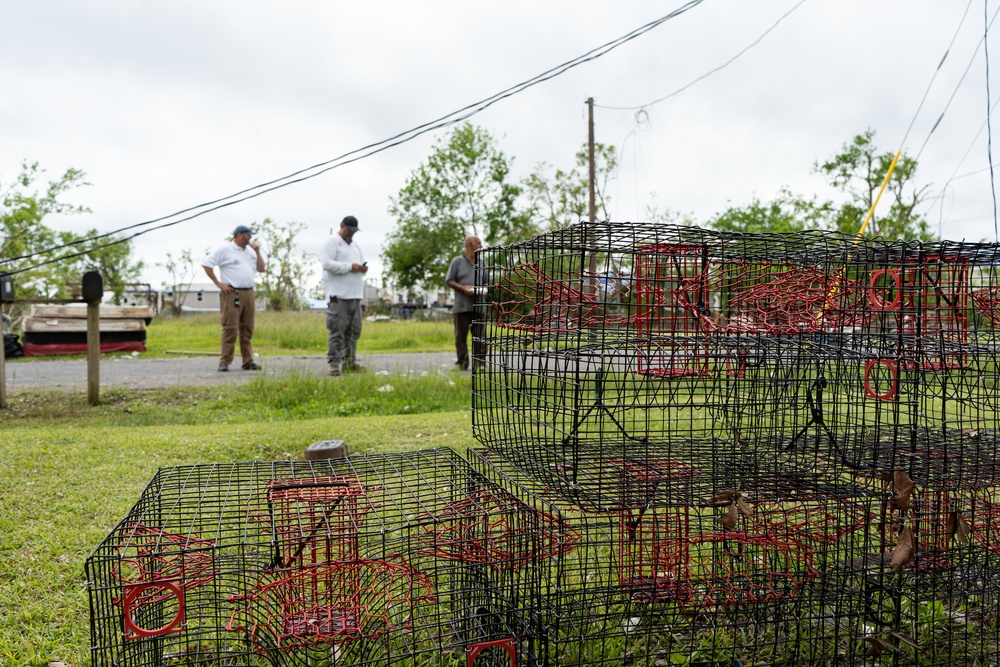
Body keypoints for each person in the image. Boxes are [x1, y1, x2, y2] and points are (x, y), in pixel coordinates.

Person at [201, 224, 266, 371]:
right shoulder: (225, 250)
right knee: (230, 328)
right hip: (232, 293)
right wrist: (218, 284)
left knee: (247, 328)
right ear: (239, 235)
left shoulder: (250, 251)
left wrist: (257, 252)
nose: (250, 237)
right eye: (248, 235)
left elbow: (262, 269)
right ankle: (224, 362)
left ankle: (248, 361)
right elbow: (207, 264)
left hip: (249, 292)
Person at [320, 215, 368, 376]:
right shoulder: (331, 242)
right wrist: (349, 267)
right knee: (337, 330)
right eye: (349, 230)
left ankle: (350, 362)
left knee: (354, 331)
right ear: (342, 226)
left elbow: (360, 262)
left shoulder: (355, 245)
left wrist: (362, 268)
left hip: (355, 295)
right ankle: (334, 363)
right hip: (338, 295)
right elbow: (326, 264)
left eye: (354, 231)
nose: (351, 234)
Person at [445, 235, 484, 371]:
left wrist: (481, 289)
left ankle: (481, 364)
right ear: (469, 245)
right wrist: (463, 288)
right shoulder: (457, 262)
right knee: (460, 336)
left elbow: (487, 283)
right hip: (462, 305)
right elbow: (449, 280)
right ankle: (462, 363)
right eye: (478, 243)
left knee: (480, 336)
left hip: (479, 305)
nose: (481, 246)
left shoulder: (482, 263)